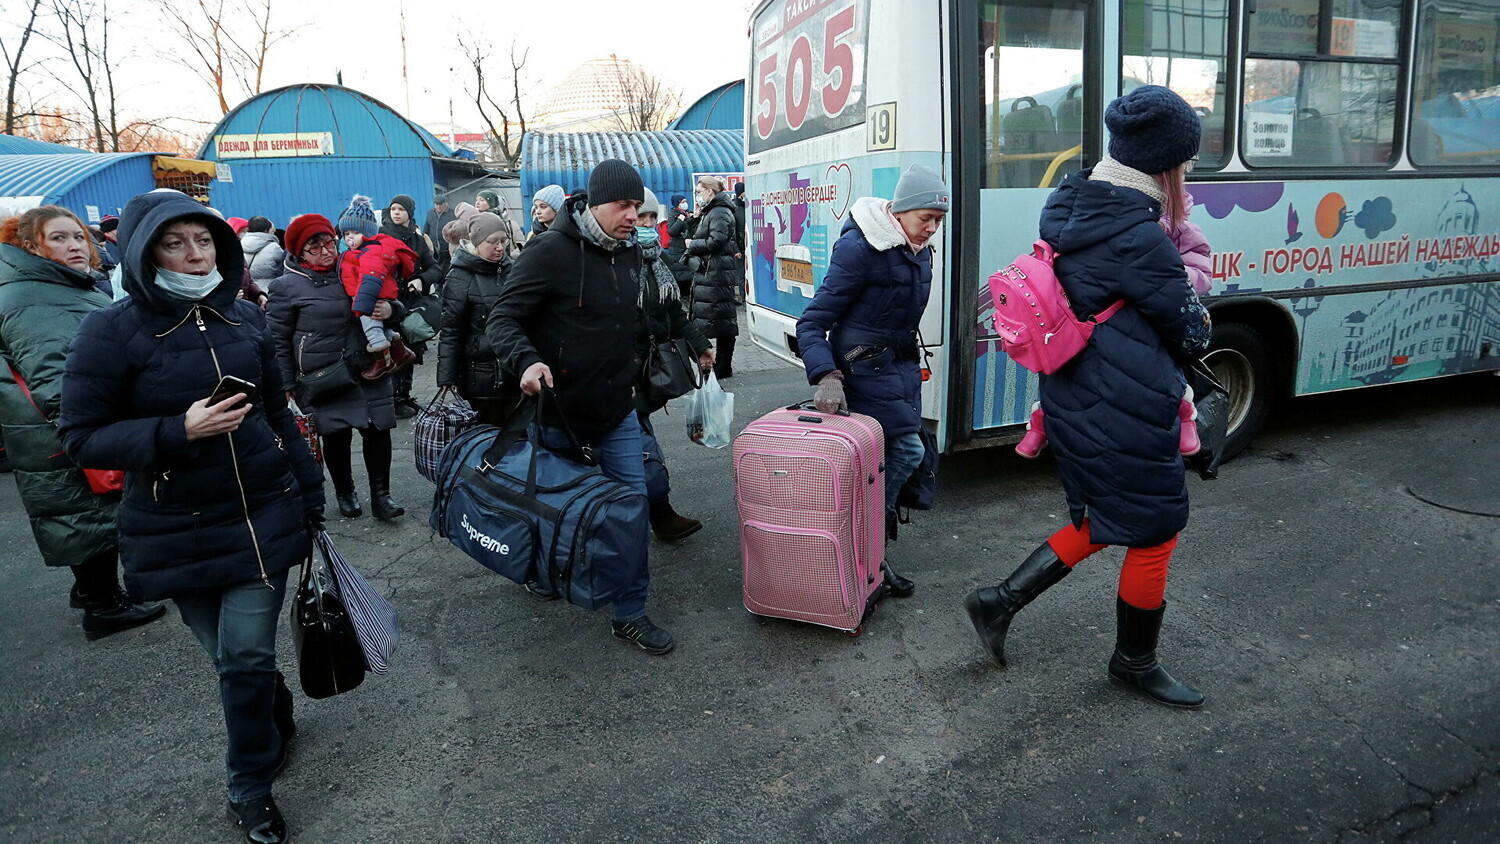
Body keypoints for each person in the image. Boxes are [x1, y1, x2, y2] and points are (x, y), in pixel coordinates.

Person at [60, 189, 324, 843]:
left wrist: (311, 493)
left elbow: (276, 416)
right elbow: (81, 438)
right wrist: (178, 429)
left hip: (259, 515)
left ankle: (249, 790)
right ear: (146, 251)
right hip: (169, 524)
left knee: (243, 657)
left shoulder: (244, 319)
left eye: (203, 240)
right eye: (175, 242)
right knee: (232, 661)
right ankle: (270, 704)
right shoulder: (110, 330)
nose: (193, 253)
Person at [963, 86, 1213, 709]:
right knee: (1154, 529)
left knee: (1103, 517)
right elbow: (1193, 329)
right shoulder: (1141, 236)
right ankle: (1134, 662)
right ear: (1167, 164)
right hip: (1122, 405)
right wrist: (1190, 268)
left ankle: (998, 602)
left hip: (1076, 396)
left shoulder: (1072, 206)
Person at [486, 158, 674, 655]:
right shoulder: (550, 252)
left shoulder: (630, 254)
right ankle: (545, 571)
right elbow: (502, 319)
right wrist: (525, 361)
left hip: (616, 415)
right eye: (623, 205)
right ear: (594, 203)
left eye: (638, 205)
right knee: (554, 513)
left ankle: (630, 612)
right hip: (557, 417)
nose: (633, 214)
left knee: (630, 511)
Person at [0, 205, 166, 639]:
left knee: (86, 509)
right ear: (30, 245)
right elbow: (55, 375)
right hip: (58, 427)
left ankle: (93, 589)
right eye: (59, 238)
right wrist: (89, 433)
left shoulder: (59, 285)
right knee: (83, 512)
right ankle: (103, 604)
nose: (75, 245)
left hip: (56, 425)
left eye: (78, 236)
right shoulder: (34, 295)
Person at [795, 164, 948, 599]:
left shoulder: (917, 251)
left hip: (898, 373)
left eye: (938, 221)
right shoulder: (861, 249)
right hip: (861, 375)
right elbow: (812, 323)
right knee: (903, 454)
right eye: (926, 219)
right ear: (899, 212)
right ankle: (865, 552)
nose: (932, 230)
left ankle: (868, 557)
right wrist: (826, 375)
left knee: (889, 464)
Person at [267, 214, 406, 521]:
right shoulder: (286, 286)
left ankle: (382, 497)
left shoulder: (355, 263)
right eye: (314, 246)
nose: (326, 250)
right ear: (299, 252)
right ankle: (345, 492)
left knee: (378, 430)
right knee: (336, 435)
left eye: (329, 241)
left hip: (369, 365)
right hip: (323, 374)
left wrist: (391, 309)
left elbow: (394, 295)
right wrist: (286, 384)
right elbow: (277, 340)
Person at [632, 189, 714, 541]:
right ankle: (658, 515)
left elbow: (674, 313)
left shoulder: (657, 261)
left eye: (653, 218)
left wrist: (701, 347)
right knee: (640, 447)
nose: (648, 225)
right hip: (622, 372)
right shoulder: (615, 262)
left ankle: (657, 517)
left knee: (637, 443)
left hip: (649, 369)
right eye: (642, 218)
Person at [438, 212, 517, 425]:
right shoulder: (459, 276)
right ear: (476, 243)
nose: (500, 247)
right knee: (484, 442)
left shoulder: (514, 271)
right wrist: (447, 376)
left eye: (503, 240)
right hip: (478, 378)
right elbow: (451, 330)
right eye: (492, 242)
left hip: (515, 372)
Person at [336, 195, 416, 380]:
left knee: (371, 327)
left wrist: (362, 306)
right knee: (379, 327)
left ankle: (382, 360)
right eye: (346, 234)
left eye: (354, 233)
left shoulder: (370, 252)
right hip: (370, 296)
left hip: (369, 298)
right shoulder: (357, 252)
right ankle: (400, 350)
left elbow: (371, 279)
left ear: (367, 233)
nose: (349, 238)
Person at [380, 193, 443, 418]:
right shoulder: (381, 236)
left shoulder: (417, 238)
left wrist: (421, 279)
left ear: (409, 213)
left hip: (411, 304)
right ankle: (392, 399)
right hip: (386, 305)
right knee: (392, 352)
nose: (396, 213)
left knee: (410, 353)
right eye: (393, 209)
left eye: (401, 209)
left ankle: (404, 396)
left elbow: (434, 268)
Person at [684, 176, 741, 380]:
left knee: (718, 321)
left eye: (700, 191)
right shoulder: (712, 211)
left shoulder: (720, 212)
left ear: (710, 191)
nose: (697, 195)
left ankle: (719, 365)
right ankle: (718, 365)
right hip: (713, 272)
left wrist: (692, 245)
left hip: (716, 273)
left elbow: (716, 240)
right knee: (718, 320)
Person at [240, 215, 285, 289]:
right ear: (267, 230)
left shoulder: (241, 244)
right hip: (270, 290)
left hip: (250, 291)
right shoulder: (274, 247)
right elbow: (284, 267)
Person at [663, 193, 694, 294]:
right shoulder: (673, 214)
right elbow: (672, 231)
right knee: (680, 276)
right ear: (677, 204)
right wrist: (680, 220)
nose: (685, 204)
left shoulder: (688, 214)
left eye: (685, 201)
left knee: (690, 274)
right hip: (677, 250)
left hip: (688, 248)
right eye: (682, 202)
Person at [423, 193, 457, 275]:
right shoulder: (430, 213)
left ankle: (444, 285)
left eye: (441, 204)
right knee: (435, 269)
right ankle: (437, 286)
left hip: (447, 249)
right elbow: (426, 230)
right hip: (434, 249)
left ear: (445, 203)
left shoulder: (453, 214)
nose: (439, 206)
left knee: (446, 270)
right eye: (436, 204)